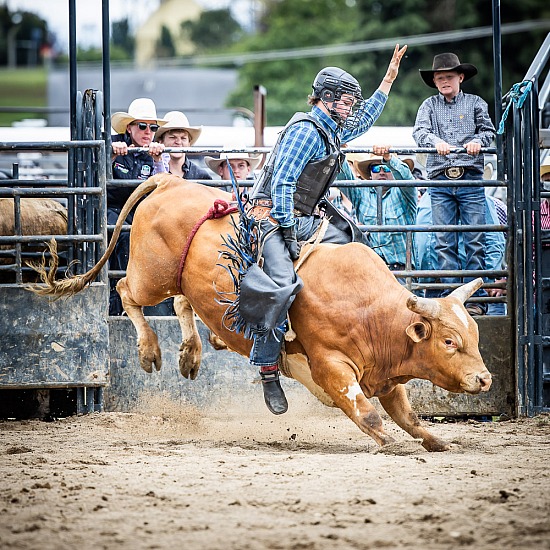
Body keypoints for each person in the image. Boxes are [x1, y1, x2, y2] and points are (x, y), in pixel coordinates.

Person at [243, 45, 407, 415]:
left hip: (306, 216)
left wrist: (388, 79)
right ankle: (268, 366)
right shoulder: (306, 130)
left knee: (358, 247)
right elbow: (283, 183)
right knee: (279, 288)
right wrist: (285, 231)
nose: (352, 107)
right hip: (272, 216)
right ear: (328, 99)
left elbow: (363, 121)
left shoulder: (331, 128)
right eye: (348, 101)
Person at [412, 52, 496, 315]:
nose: (444, 81)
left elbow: (488, 132)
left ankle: (476, 299)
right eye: (439, 78)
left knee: (474, 238)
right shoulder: (428, 106)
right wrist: (435, 142)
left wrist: (477, 143)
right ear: (435, 82)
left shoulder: (475, 103)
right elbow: (419, 132)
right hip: (440, 179)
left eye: (449, 76)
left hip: (470, 176)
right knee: (443, 239)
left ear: (460, 77)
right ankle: (452, 301)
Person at [109, 98, 167, 316]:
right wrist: (111, 154)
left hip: (141, 211)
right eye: (142, 126)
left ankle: (149, 299)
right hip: (114, 208)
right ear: (129, 127)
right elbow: (94, 177)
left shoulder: (154, 152)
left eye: (153, 127)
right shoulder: (111, 144)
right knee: (122, 235)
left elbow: (162, 186)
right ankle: (120, 303)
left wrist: (159, 160)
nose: (148, 132)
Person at [416, 192, 506, 315]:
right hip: (433, 284)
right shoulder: (425, 198)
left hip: (466, 284)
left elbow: (495, 239)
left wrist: (485, 278)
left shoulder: (474, 197)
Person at [344, 147, 416, 274]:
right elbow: (343, 175)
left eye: (386, 168)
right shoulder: (361, 193)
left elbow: (406, 178)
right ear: (370, 174)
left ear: (393, 171)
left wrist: (388, 158)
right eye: (376, 168)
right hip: (371, 270)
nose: (381, 172)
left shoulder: (405, 193)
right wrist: (338, 151)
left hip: (402, 270)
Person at [152, 111, 212, 181]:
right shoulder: (150, 172)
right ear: (161, 141)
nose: (178, 142)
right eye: (172, 137)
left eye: (183, 138)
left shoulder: (201, 176)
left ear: (189, 143)